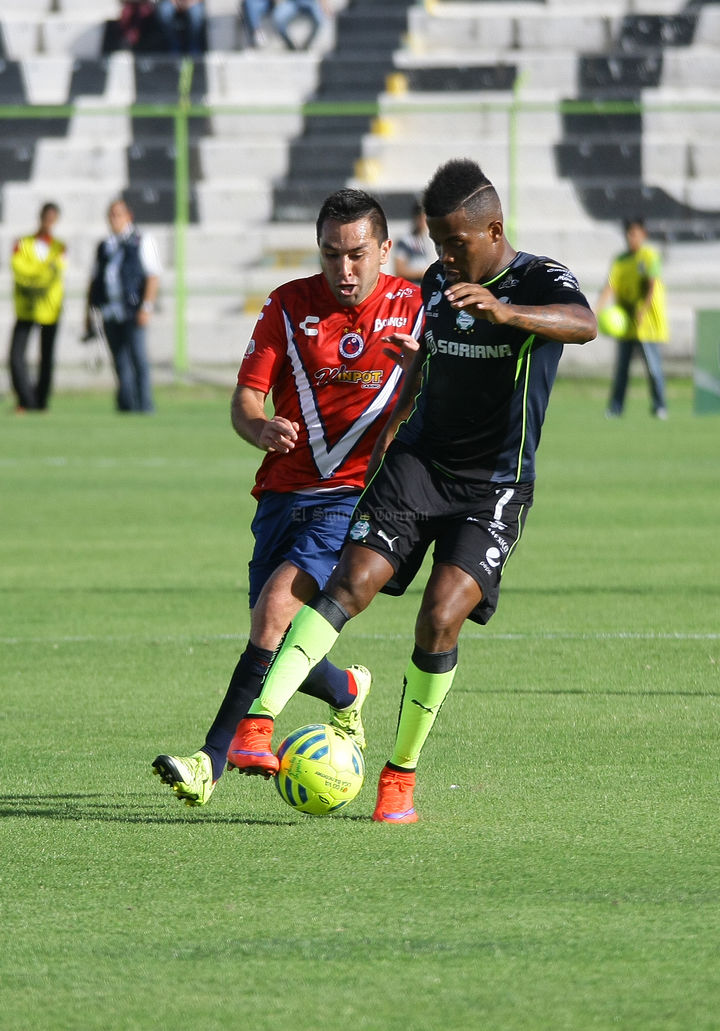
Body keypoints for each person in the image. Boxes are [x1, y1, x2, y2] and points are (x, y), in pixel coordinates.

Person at [227, 158, 597, 822]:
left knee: (440, 615)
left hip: (494, 486)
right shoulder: (436, 283)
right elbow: (430, 358)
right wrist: (414, 370)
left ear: (494, 230)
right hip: (420, 463)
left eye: (457, 244)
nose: (446, 257)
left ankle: (399, 775)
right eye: (437, 243)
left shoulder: (540, 277)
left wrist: (505, 310)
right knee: (352, 580)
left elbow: (584, 322)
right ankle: (258, 722)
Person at [152, 188, 424, 806]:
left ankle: (210, 762)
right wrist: (260, 429)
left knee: (275, 611)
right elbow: (245, 401)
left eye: (358, 254)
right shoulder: (287, 305)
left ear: (385, 249)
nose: (345, 270)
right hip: (281, 494)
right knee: (269, 631)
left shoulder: (416, 309)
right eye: (331, 255)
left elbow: (447, 386)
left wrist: (424, 372)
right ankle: (347, 692)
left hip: (351, 497)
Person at [85, 199, 161, 413]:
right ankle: (126, 405)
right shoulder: (105, 245)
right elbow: (94, 279)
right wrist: (90, 311)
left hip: (133, 310)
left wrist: (146, 306)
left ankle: (145, 405)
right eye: (111, 215)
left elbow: (152, 276)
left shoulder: (141, 240)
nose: (114, 219)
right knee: (119, 361)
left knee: (138, 359)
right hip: (111, 311)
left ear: (129, 216)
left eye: (118, 215)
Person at [599, 218, 669, 419]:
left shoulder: (649, 256)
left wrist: (643, 309)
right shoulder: (620, 260)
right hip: (626, 324)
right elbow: (610, 286)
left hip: (647, 324)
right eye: (628, 234)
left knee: (654, 369)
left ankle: (660, 406)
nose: (631, 238)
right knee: (622, 370)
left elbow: (652, 284)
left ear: (643, 234)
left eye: (635, 234)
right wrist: (596, 310)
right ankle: (615, 408)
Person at [8, 203, 66, 413]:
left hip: (49, 310)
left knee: (46, 357)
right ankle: (27, 399)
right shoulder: (22, 243)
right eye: (46, 217)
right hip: (26, 307)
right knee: (16, 357)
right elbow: (18, 268)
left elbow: (55, 273)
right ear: (40, 217)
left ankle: (41, 401)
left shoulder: (59, 247)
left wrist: (33, 273)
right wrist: (41, 271)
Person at [393, 200, 437, 286]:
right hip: (411, 288)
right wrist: (425, 272)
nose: (425, 222)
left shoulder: (427, 241)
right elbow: (399, 271)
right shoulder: (405, 241)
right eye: (422, 218)